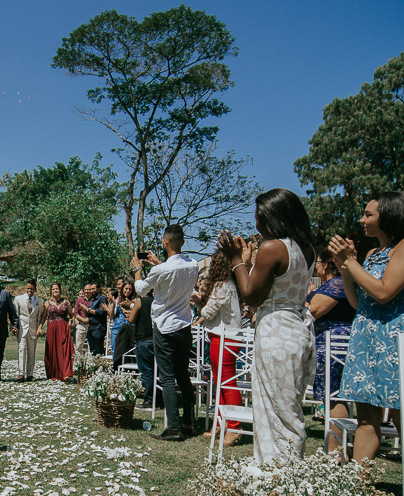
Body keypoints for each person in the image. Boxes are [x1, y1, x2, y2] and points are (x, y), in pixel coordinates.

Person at [328, 191, 404, 496]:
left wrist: (352, 263)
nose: (362, 219)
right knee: (366, 421)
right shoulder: (373, 252)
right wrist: (346, 268)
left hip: (396, 339)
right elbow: (359, 302)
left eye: (368, 214)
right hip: (366, 335)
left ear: (390, 215)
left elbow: (386, 292)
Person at [219, 189, 316, 461]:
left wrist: (237, 260)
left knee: (274, 410)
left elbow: (251, 295)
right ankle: (279, 472)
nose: (255, 219)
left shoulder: (273, 247)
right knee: (288, 408)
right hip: (297, 329)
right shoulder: (307, 249)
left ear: (273, 216)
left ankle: (279, 477)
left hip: (275, 331)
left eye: (258, 213)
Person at [132, 224, 199, 441]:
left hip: (164, 327)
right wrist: (159, 264)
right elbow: (175, 275)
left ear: (165, 242)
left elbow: (141, 290)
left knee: (167, 377)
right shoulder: (193, 265)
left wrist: (137, 269)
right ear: (183, 242)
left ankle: (174, 428)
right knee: (183, 376)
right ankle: (188, 422)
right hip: (184, 326)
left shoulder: (160, 270)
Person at [195, 250, 246, 447]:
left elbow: (208, 312)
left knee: (227, 383)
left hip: (225, 338)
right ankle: (219, 423)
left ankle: (234, 427)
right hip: (223, 336)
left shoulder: (222, 285)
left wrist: (199, 303)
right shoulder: (230, 283)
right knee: (220, 382)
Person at [306, 250, 356, 446]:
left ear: (326, 264)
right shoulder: (334, 283)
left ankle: (335, 449)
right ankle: (337, 447)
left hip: (334, 342)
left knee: (332, 395)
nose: (316, 266)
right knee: (331, 395)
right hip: (329, 340)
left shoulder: (336, 283)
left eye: (317, 262)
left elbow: (314, 311)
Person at [40, 283, 74, 381]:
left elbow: (71, 314)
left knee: (64, 350)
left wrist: (73, 322)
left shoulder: (66, 302)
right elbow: (43, 317)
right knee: (53, 350)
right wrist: (40, 327)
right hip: (52, 329)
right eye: (53, 289)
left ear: (60, 290)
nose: (55, 291)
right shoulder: (47, 303)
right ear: (51, 291)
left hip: (64, 328)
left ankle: (66, 374)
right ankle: (53, 373)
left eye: (57, 289)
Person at [14, 280, 43, 381]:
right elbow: (16, 315)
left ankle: (30, 374)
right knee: (21, 349)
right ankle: (21, 373)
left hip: (33, 329)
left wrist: (39, 328)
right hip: (22, 328)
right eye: (28, 288)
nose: (29, 290)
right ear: (25, 288)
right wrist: (15, 327)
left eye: (31, 288)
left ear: (35, 289)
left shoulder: (40, 301)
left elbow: (39, 318)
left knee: (32, 352)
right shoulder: (18, 299)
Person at [111, 282, 137, 370]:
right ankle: (116, 370)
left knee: (127, 350)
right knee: (115, 351)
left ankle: (128, 370)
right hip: (117, 326)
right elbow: (112, 316)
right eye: (126, 289)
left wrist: (129, 310)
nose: (128, 291)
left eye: (130, 289)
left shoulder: (134, 300)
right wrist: (114, 305)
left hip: (128, 327)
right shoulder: (118, 300)